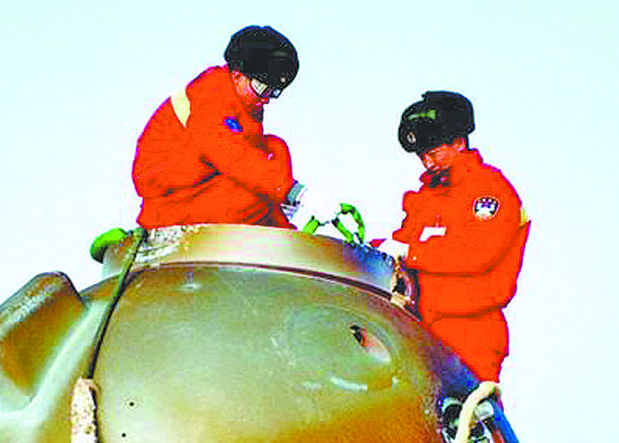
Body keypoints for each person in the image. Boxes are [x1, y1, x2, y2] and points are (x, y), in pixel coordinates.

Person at [378, 91, 530, 382]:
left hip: (471, 331)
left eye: (434, 153)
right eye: (421, 156)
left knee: (468, 407)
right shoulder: (428, 198)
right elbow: (402, 243)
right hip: (422, 326)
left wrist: (411, 252)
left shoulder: (489, 190)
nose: (428, 163)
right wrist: (370, 250)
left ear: (459, 143)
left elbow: (477, 253)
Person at [132, 25, 337, 230]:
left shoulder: (245, 103)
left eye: (274, 91)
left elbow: (255, 158)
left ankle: (273, 228)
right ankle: (266, 231)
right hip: (169, 204)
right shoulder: (210, 98)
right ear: (238, 74)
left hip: (204, 185)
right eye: (262, 88)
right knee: (253, 195)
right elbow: (236, 158)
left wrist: (281, 206)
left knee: (275, 149)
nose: (266, 98)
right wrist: (295, 193)